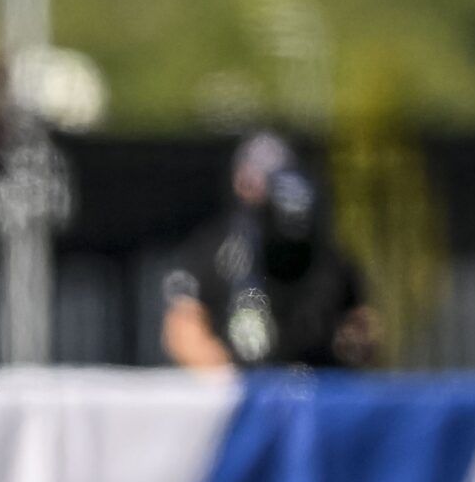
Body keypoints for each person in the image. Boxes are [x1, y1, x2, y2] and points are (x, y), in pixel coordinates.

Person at [162, 133, 378, 373]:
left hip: (315, 390)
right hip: (243, 390)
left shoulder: (327, 257)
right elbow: (183, 326)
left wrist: (353, 350)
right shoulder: (213, 251)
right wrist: (233, 386)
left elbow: (360, 328)